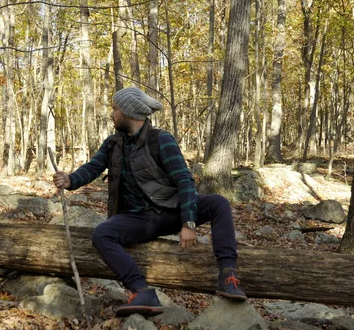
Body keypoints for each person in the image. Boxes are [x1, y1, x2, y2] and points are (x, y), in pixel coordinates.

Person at [52, 87, 246, 317]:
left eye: (115, 109)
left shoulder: (160, 139)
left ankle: (228, 276)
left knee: (218, 203)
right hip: (136, 219)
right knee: (102, 234)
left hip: (170, 212)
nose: (111, 114)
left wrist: (188, 223)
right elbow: (94, 167)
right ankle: (141, 291)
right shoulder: (113, 143)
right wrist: (70, 179)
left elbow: (184, 179)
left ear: (128, 112)